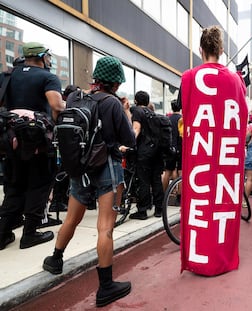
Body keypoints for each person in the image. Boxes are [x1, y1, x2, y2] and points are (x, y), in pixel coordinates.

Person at [42, 56, 136, 307]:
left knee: (72, 217)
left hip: (79, 167)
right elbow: (130, 139)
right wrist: (126, 110)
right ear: (115, 83)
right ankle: (106, 287)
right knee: (105, 227)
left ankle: (55, 259)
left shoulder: (74, 97)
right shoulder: (112, 103)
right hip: (107, 167)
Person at [178, 25, 248, 275]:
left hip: (200, 154)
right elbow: (242, 115)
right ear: (220, 50)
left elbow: (186, 112)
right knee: (222, 203)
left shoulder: (189, 77)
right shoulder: (235, 80)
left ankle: (200, 257)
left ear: (201, 50)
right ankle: (221, 256)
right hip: (225, 156)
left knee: (200, 202)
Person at [0, 42, 65, 250]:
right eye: (48, 56)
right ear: (41, 57)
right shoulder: (47, 77)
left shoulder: (7, 76)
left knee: (14, 186)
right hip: (38, 142)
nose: (49, 60)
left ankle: (3, 234)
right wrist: (63, 109)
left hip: (12, 141)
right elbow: (56, 105)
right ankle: (30, 234)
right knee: (39, 185)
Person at [130, 90, 164, 219]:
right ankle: (159, 209)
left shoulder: (138, 112)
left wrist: (128, 144)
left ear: (136, 101)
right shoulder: (153, 114)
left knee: (143, 181)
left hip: (144, 152)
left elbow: (136, 129)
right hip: (156, 151)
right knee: (156, 180)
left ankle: (143, 210)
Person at [49, 84, 80, 213]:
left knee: (63, 172)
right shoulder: (65, 107)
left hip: (63, 144)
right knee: (62, 173)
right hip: (63, 145)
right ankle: (57, 201)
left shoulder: (65, 107)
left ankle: (60, 200)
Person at [162, 99, 182, 192]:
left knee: (168, 171)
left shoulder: (167, 119)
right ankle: (179, 195)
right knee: (180, 172)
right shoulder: (182, 119)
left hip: (169, 148)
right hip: (180, 147)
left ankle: (165, 193)